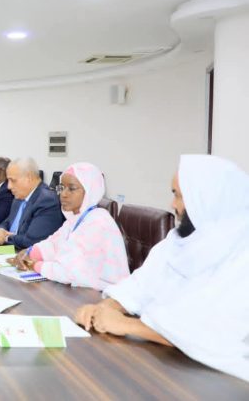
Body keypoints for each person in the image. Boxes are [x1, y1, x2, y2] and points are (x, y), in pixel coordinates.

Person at [75, 155, 249, 382]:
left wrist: (127, 325)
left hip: (219, 380)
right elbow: (140, 285)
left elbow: (207, 333)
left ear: (208, 199)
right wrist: (103, 308)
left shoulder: (241, 254)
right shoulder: (178, 241)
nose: (172, 205)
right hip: (169, 365)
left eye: (179, 195)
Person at [11, 162, 129, 290]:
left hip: (103, 295)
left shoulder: (98, 223)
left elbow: (69, 272)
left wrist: (33, 265)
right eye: (62, 187)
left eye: (71, 188)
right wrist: (30, 252)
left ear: (89, 190)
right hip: (82, 291)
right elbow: (54, 244)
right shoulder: (76, 218)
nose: (63, 194)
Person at [0, 157, 64, 249]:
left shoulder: (47, 200)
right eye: (8, 181)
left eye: (13, 180)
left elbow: (32, 241)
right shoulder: (19, 197)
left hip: (27, 254)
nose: (9, 186)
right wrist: (0, 230)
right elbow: (8, 222)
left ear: (29, 178)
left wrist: (6, 238)